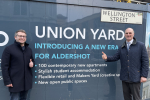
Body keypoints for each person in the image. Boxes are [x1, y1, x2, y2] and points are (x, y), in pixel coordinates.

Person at [102, 28, 149, 100]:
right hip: (125, 77)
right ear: (124, 35)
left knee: (136, 98)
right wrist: (106, 58)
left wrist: (144, 75)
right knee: (126, 97)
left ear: (133, 34)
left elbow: (145, 61)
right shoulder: (121, 47)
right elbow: (115, 57)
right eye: (126, 33)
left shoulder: (141, 45)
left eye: (130, 33)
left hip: (135, 77)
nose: (128, 34)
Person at [1, 29, 34, 100]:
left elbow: (32, 60)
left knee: (24, 98)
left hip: (26, 81)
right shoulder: (9, 49)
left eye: (24, 36)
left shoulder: (29, 50)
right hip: (14, 81)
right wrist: (7, 81)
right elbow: (4, 66)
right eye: (20, 36)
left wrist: (32, 63)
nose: (22, 38)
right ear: (15, 37)